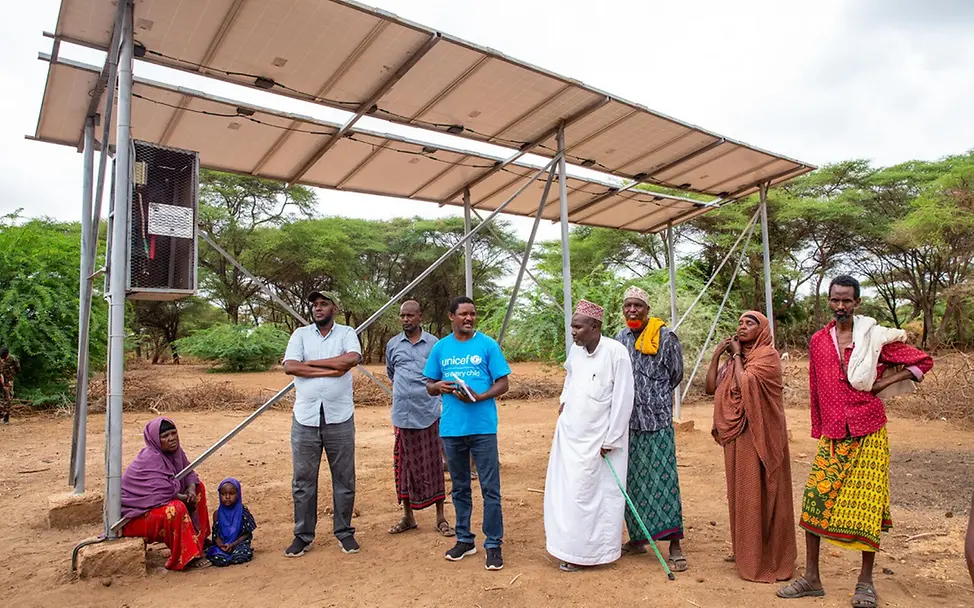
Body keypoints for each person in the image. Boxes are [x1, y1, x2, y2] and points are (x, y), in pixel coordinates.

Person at [778, 275, 933, 607]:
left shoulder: (875, 338)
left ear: (857, 303)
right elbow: (815, 386)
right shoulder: (819, 341)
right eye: (835, 300)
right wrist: (819, 427)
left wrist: (883, 383)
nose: (840, 306)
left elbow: (922, 362)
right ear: (829, 301)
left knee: (866, 506)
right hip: (834, 432)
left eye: (847, 300)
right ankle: (812, 578)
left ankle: (865, 583)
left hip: (869, 429)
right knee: (814, 501)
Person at [705, 311, 796, 583]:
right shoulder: (737, 359)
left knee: (764, 491)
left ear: (763, 328)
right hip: (737, 436)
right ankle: (748, 550)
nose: (742, 327)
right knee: (743, 493)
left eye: (750, 323)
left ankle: (770, 555)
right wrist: (717, 357)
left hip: (761, 435)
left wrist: (735, 356)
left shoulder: (767, 356)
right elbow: (711, 388)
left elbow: (746, 387)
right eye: (740, 323)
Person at [545, 300, 634, 573]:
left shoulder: (616, 353)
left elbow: (623, 398)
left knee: (595, 497)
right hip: (571, 435)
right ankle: (568, 549)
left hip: (602, 442)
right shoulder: (576, 351)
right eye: (572, 326)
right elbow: (570, 378)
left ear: (594, 327)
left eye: (577, 326)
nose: (572, 331)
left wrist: (612, 439)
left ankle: (595, 554)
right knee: (569, 494)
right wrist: (564, 400)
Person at [424, 296, 511, 571]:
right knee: (460, 488)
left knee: (490, 489)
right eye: (463, 314)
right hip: (451, 429)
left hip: (483, 428)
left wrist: (481, 395)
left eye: (472, 314)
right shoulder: (441, 348)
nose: (469, 319)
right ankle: (464, 539)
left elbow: (504, 383)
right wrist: (439, 385)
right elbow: (428, 385)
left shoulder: (487, 345)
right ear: (452, 317)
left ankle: (493, 544)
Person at [282, 290, 363, 557]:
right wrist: (332, 368)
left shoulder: (346, 333)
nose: (318, 308)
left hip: (339, 417)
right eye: (314, 304)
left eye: (323, 304)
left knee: (344, 478)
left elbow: (351, 359)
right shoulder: (300, 335)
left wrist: (311, 363)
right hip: (305, 418)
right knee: (303, 480)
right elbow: (291, 367)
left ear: (334, 308)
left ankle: (344, 532)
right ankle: (303, 536)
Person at [615, 285, 688, 571]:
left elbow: (676, 374)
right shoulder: (619, 338)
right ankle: (638, 539)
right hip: (628, 423)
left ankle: (674, 545)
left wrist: (652, 395)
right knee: (632, 482)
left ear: (647, 310)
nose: (632, 310)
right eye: (627, 306)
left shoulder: (666, 337)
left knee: (664, 481)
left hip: (656, 421)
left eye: (638, 306)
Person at [385, 300, 454, 538]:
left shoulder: (434, 344)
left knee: (434, 464)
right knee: (405, 466)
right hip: (403, 414)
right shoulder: (393, 344)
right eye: (402, 316)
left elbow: (439, 375)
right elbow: (392, 373)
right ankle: (408, 517)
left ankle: (440, 517)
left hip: (428, 413)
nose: (406, 320)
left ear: (420, 317)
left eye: (410, 316)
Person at [120, 417, 211, 571]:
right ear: (156, 439)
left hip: (158, 507)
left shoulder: (176, 453)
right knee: (175, 509)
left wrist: (190, 491)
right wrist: (185, 499)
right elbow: (160, 494)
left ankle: (198, 540)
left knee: (198, 488)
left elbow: (188, 473)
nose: (171, 439)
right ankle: (186, 556)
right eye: (165, 436)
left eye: (173, 433)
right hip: (136, 517)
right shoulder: (150, 458)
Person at [206, 478, 257, 567]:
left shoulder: (243, 512)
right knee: (216, 556)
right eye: (223, 494)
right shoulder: (217, 514)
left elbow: (247, 534)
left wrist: (233, 544)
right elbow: (216, 535)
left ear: (238, 494)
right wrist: (221, 545)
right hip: (224, 546)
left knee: (241, 555)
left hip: (238, 544)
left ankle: (235, 555)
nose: (227, 497)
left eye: (231, 493)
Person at [0, 347, 19, 424]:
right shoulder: (0, 359)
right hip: (0, 380)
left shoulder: (13, 359)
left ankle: (6, 417)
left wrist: (11, 376)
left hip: (8, 381)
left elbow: (18, 369)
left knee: (8, 398)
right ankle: (1, 414)